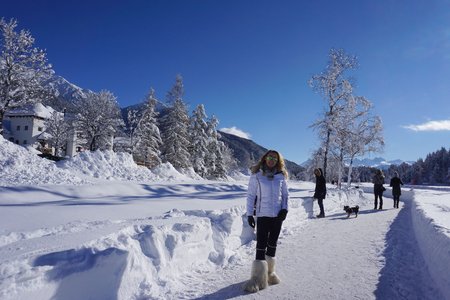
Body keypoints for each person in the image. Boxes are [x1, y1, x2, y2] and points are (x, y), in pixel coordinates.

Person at [243, 150, 289, 293]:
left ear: (278, 161)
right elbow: (250, 196)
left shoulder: (281, 176)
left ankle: (269, 273)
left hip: (277, 217)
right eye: (269, 157)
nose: (271, 160)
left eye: (275, 159)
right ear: (264, 158)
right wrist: (250, 214)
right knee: (261, 245)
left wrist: (284, 209)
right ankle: (257, 278)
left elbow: (286, 196)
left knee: (272, 244)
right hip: (262, 216)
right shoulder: (257, 176)